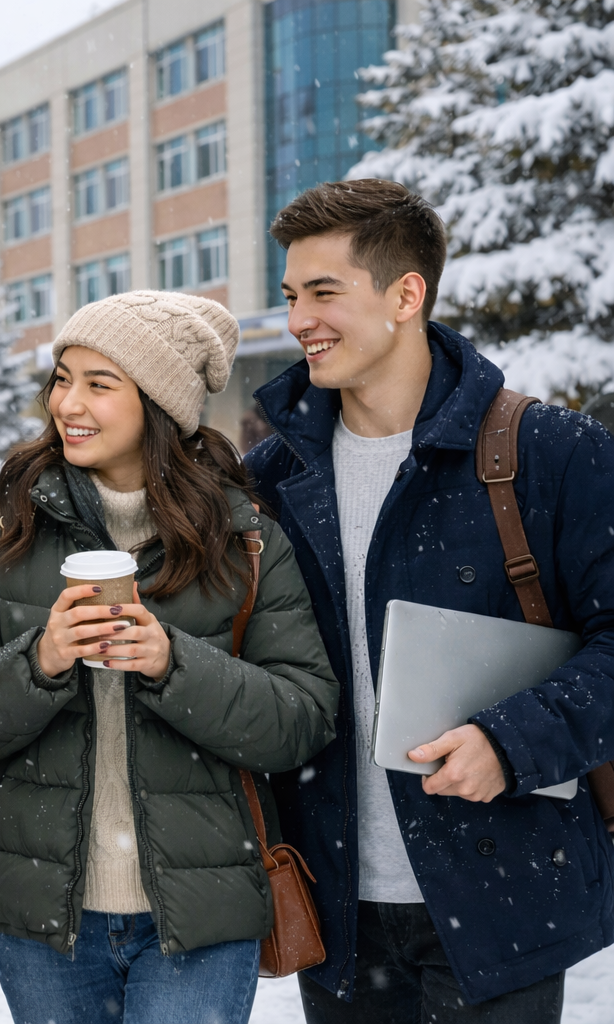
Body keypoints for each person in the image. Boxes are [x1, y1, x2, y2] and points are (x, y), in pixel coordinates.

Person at [246, 179, 614, 1022]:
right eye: (292, 295)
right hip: (336, 907)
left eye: (325, 292)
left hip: (503, 901)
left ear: (407, 294)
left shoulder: (549, 453)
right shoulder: (271, 480)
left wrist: (509, 742)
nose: (299, 318)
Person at [0, 291, 339, 1024]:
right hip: (45, 914)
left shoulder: (243, 540)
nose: (66, 403)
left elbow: (301, 719)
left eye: (98, 383)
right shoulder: (2, 531)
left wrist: (174, 663)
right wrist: (40, 661)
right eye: (62, 378)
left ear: (160, 404)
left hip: (199, 917)